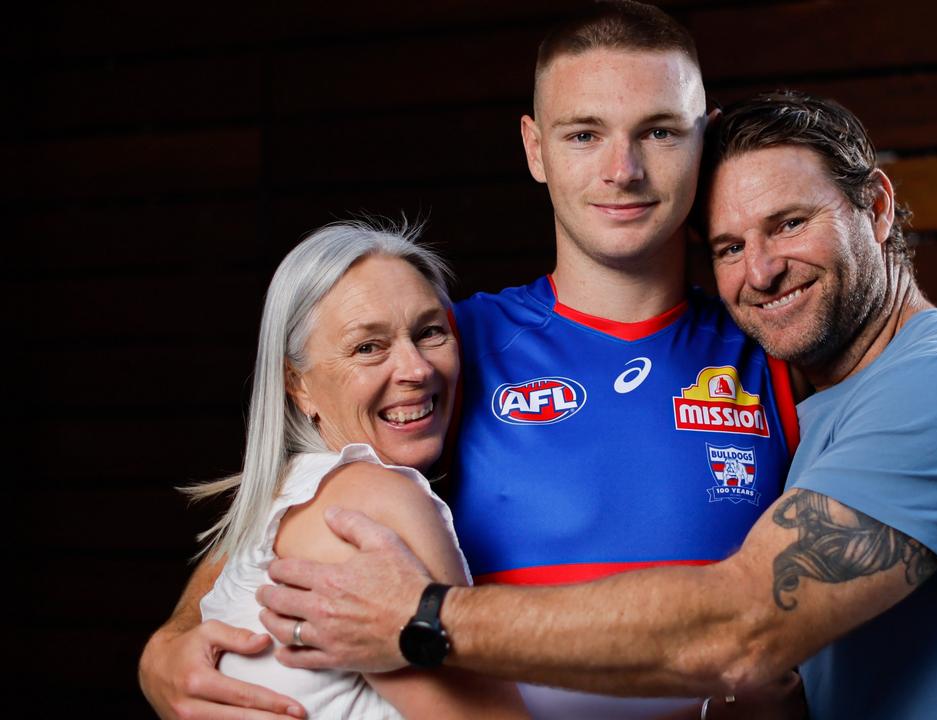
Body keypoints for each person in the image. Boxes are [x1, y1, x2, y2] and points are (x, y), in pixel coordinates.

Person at [255, 91, 937, 719]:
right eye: (729, 246)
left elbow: (742, 629)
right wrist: (177, 639)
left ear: (874, 209)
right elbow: (311, 483)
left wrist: (425, 617)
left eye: (789, 223)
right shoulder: (829, 389)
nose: (760, 270)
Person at [139, 3, 799, 718]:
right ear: (535, 148)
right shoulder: (444, 349)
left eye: (661, 132)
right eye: (584, 134)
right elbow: (294, 508)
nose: (623, 170)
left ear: (704, 139)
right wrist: (172, 639)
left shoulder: (780, 352)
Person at [179, 221, 527, 718]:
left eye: (430, 332)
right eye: (368, 347)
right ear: (298, 385)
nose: (416, 369)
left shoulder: (297, 496)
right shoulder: (372, 500)